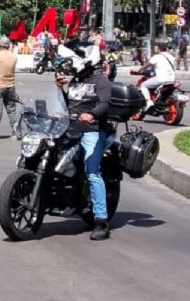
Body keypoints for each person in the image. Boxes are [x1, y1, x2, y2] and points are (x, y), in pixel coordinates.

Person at [54, 41, 113, 241]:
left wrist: (92, 114)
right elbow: (70, 104)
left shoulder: (101, 81)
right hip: (70, 130)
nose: (69, 64)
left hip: (92, 131)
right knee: (51, 158)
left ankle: (101, 221)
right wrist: (61, 90)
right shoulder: (75, 81)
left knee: (92, 172)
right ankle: (64, 200)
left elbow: (105, 104)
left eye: (72, 60)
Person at [138, 42, 177, 111]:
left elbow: (148, 64)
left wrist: (141, 69)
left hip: (162, 79)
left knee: (143, 85)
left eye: (156, 47)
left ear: (159, 48)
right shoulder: (170, 56)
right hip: (172, 79)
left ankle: (149, 102)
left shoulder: (157, 56)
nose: (155, 48)